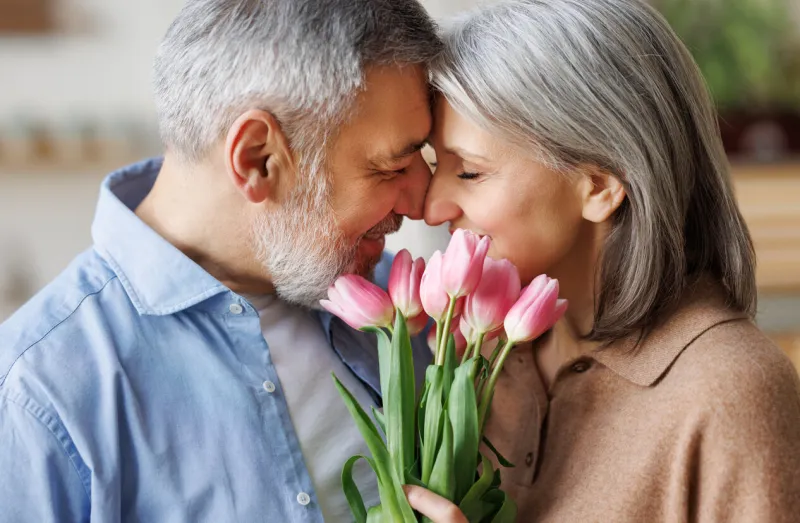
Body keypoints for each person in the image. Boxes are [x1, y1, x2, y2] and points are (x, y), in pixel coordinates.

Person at [0, 1, 440, 521]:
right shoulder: (38, 393)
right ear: (258, 158)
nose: (422, 202)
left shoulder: (412, 307)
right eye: (392, 167)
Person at [406, 0, 800, 521]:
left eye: (471, 173)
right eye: (437, 165)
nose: (431, 207)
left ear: (598, 185)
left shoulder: (732, 395)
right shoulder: (474, 358)